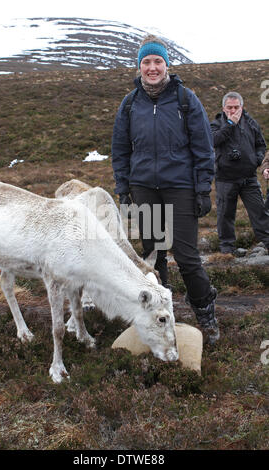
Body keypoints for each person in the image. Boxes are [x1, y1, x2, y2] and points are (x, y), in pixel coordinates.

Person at [111, 34, 219, 344]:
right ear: (139, 66)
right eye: (146, 62)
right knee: (153, 257)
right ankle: (160, 317)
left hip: (181, 187)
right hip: (144, 188)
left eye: (157, 61)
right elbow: (120, 149)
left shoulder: (186, 99)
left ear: (166, 64)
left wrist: (202, 190)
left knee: (187, 257)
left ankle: (206, 316)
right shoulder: (130, 104)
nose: (152, 67)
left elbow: (203, 147)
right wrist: (123, 187)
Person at [210, 92, 269, 254]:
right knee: (225, 215)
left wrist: (256, 160)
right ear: (223, 108)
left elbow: (261, 145)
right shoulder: (216, 124)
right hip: (225, 178)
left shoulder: (251, 123)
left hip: (248, 177)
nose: (233, 110)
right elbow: (213, 141)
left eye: (236, 107)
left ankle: (267, 241)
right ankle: (227, 250)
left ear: (242, 107)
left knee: (259, 212)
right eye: (229, 107)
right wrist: (230, 123)